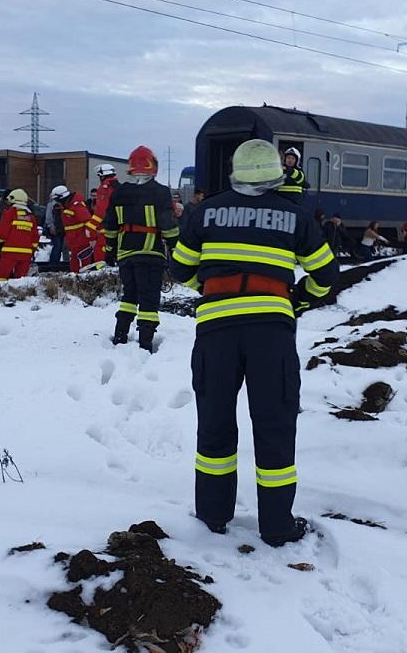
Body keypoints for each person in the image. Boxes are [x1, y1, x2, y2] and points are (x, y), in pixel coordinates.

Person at [169, 138, 338, 547]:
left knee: (215, 427)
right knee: (275, 427)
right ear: (278, 174)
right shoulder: (296, 217)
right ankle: (277, 526)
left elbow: (180, 269)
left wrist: (212, 289)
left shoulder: (204, 212)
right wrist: (297, 300)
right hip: (271, 335)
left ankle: (212, 517)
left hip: (216, 331)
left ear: (235, 173)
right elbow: (326, 274)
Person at [102, 145, 180, 351]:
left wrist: (110, 250)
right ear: (153, 166)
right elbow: (168, 225)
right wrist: (175, 249)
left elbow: (109, 225)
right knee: (149, 298)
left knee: (129, 295)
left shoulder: (119, 193)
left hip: (125, 253)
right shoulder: (160, 192)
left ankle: (120, 335)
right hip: (150, 253)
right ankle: (145, 343)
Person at [0, 189, 39, 280]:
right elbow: (35, 237)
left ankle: (2, 293)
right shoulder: (31, 217)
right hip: (26, 253)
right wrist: (33, 249)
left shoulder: (9, 213)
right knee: (20, 280)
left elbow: (3, 234)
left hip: (10, 251)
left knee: (2, 277)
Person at [52, 185, 96, 274]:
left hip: (81, 241)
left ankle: (83, 282)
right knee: (74, 264)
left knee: (83, 265)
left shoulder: (76, 205)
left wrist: (92, 238)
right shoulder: (69, 205)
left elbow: (88, 222)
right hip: (75, 241)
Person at [89, 164, 121, 266]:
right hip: (121, 226)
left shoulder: (104, 188)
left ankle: (103, 274)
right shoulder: (119, 187)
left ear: (102, 176)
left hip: (107, 228)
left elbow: (101, 211)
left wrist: (91, 227)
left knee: (100, 252)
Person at [44, 193, 66, 264]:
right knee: (57, 246)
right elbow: (49, 217)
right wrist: (51, 226)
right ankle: (54, 262)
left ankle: (56, 262)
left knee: (60, 247)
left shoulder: (61, 204)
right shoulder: (52, 205)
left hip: (61, 229)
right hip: (57, 229)